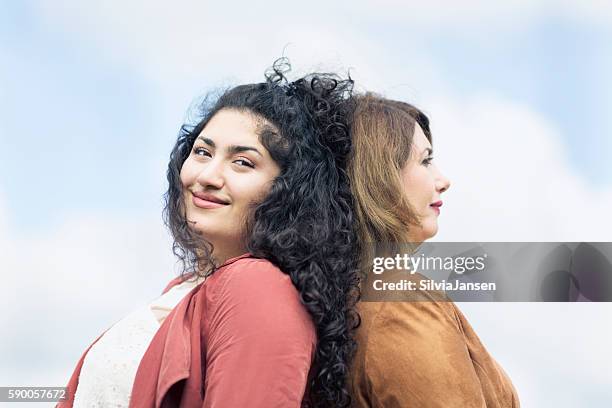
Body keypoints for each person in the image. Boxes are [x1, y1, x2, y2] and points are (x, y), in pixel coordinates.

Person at [58, 61, 360, 408]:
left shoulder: (257, 286)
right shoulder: (185, 289)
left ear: (288, 190)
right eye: (202, 152)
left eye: (242, 162)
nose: (208, 175)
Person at [346, 93, 520, 407]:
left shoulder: (366, 290)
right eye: (425, 160)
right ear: (379, 176)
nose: (443, 180)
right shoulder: (398, 300)